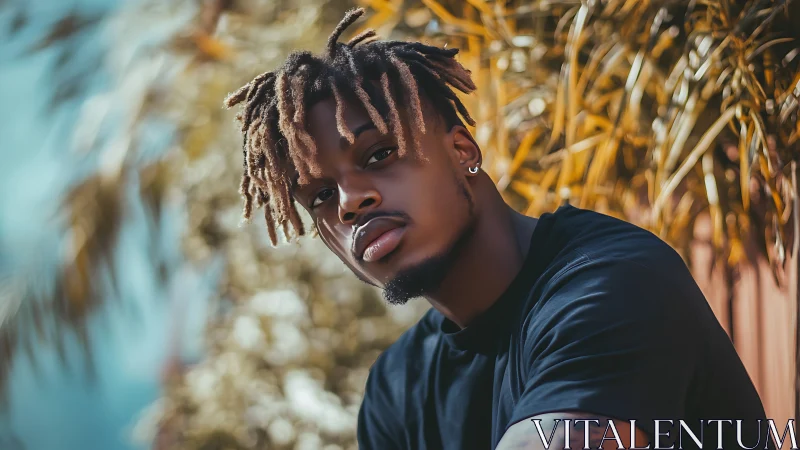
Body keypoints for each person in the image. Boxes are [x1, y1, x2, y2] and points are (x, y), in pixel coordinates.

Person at [223, 8, 773, 450]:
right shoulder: (396, 388)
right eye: (320, 196)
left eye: (378, 152)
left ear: (462, 149)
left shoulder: (610, 284)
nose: (348, 203)